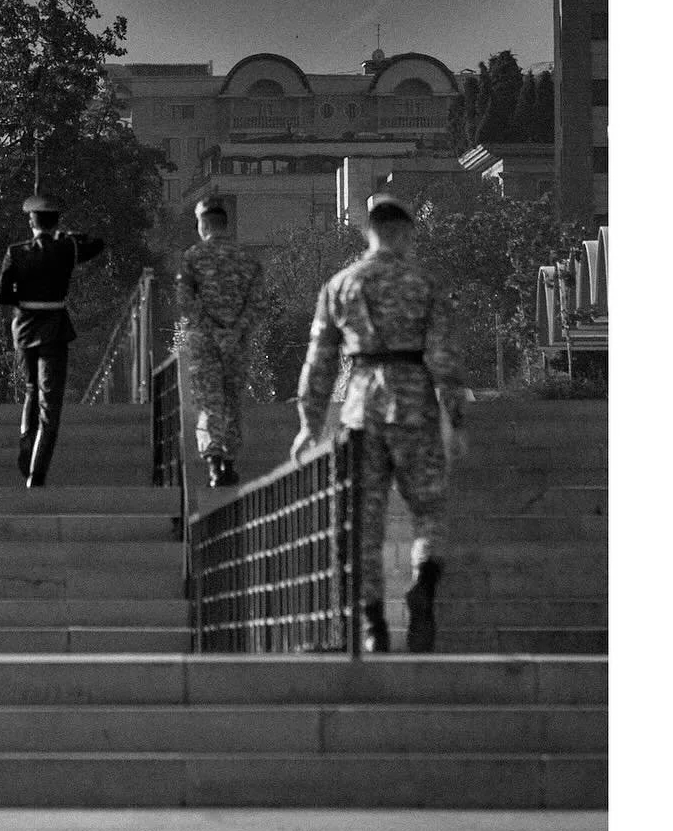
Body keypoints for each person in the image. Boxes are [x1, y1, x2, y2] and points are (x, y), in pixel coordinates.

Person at [291, 191, 467, 653]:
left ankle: (372, 624)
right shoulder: (424, 283)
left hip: (362, 410)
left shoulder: (341, 285)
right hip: (415, 407)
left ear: (368, 232)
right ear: (406, 232)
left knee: (361, 524)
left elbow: (319, 361)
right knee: (429, 511)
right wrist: (455, 418)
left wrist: (310, 423)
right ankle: (423, 585)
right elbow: (445, 357)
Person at [0, 192, 106, 488]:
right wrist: (69, 235)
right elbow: (97, 244)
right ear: (56, 222)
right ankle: (37, 471)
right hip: (54, 329)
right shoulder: (66, 248)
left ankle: (25, 443)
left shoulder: (15, 251)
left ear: (31, 221)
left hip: (25, 329)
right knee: (50, 404)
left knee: (31, 390)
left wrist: (23, 301)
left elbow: (0, 295)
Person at [176, 196, 264, 488]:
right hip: (236, 343)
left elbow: (185, 300)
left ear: (202, 224)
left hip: (205, 343)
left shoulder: (193, 257)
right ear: (226, 223)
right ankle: (229, 460)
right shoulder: (247, 258)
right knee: (232, 399)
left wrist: (210, 328)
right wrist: (237, 329)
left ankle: (214, 462)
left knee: (209, 400)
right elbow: (258, 302)